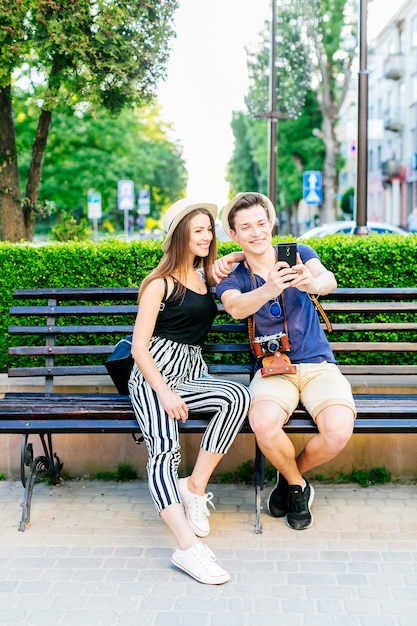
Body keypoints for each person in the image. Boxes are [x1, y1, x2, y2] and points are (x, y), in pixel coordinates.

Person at [214, 192, 356, 531]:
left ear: (271, 223)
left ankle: (288, 478)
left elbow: (328, 279)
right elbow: (235, 307)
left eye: (261, 223)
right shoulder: (235, 276)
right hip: (273, 369)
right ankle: (298, 487)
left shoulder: (298, 255)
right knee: (263, 423)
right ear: (234, 234)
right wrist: (267, 288)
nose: (256, 232)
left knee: (337, 432)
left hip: (319, 364)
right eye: (245, 227)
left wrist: (313, 283)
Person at [128, 198, 251, 584]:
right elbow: (138, 348)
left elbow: (237, 266)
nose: (207, 235)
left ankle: (194, 486)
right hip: (154, 374)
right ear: (180, 234)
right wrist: (163, 392)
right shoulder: (159, 284)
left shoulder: (205, 278)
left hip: (191, 370)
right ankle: (186, 548)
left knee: (238, 396)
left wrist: (233, 255)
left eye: (209, 229)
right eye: (198, 229)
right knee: (166, 450)